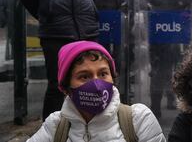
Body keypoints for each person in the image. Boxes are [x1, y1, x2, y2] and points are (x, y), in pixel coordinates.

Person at [27, 41, 166, 142]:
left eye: (103, 74)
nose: (97, 84)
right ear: (66, 88)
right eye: (84, 76)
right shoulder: (55, 126)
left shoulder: (138, 119)